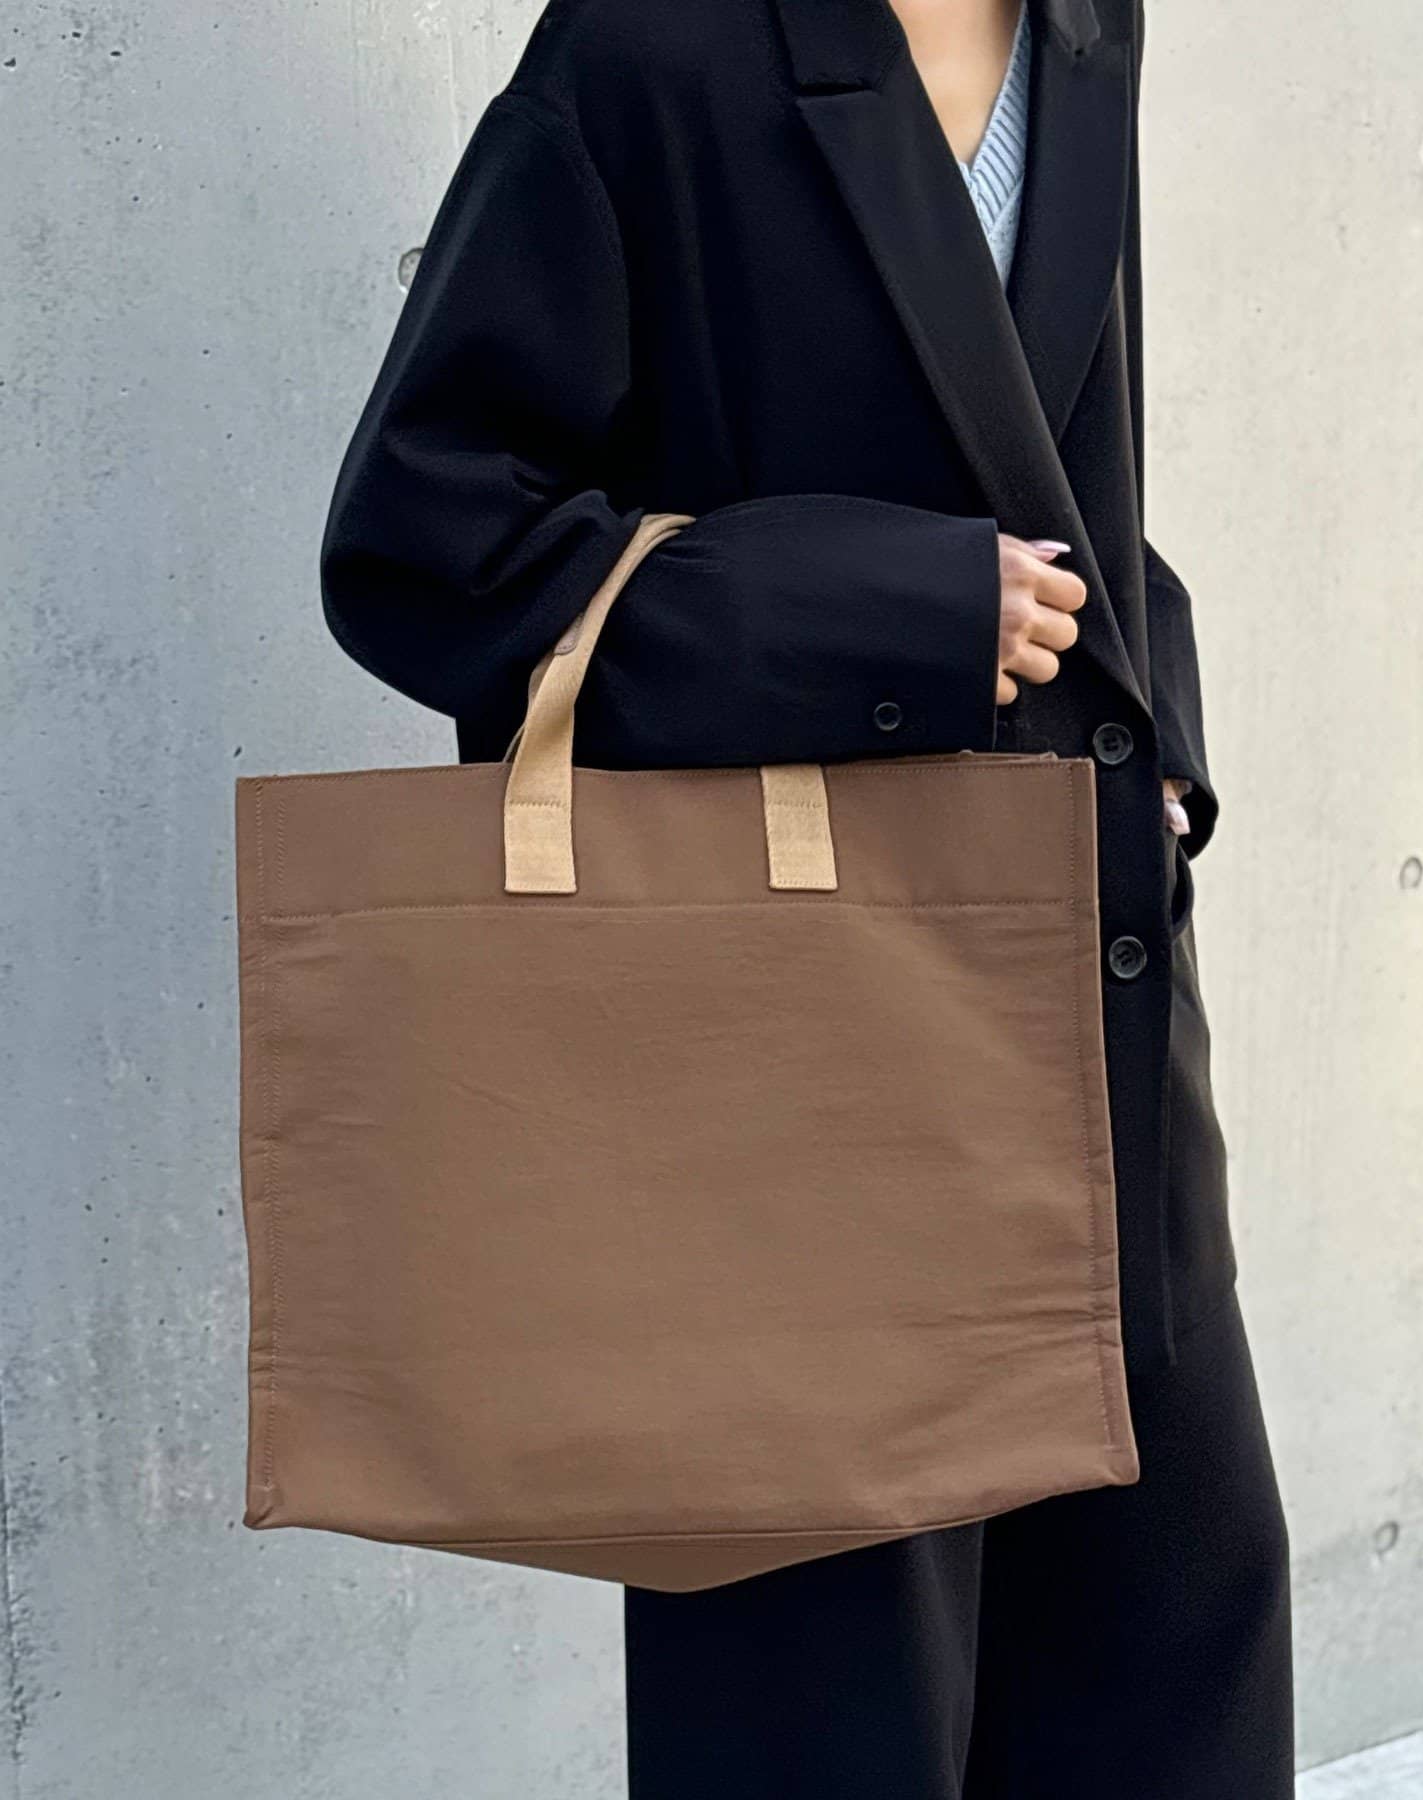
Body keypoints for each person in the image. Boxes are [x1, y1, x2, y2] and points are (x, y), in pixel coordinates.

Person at [318, 0, 1294, 1792]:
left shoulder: (1089, 26)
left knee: (1169, 1669)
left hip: (1091, 982)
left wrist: (1161, 738)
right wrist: (887, 616)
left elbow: (1080, 472)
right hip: (790, 1058)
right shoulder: (648, 49)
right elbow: (425, 539)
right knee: (830, 1711)